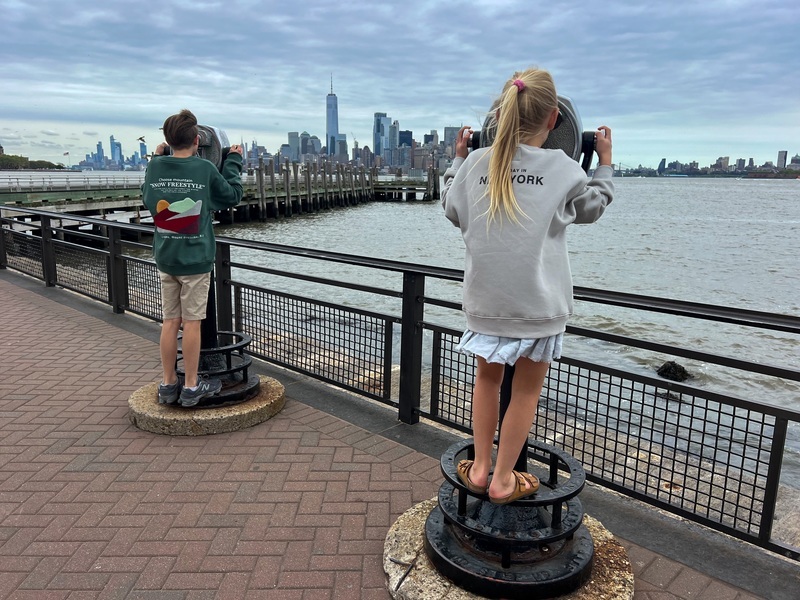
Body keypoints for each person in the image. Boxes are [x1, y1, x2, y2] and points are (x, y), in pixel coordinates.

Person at [441, 68, 614, 504]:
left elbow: (451, 206)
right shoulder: (564, 167)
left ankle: (479, 469)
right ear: (556, 120)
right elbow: (593, 206)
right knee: (526, 392)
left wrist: (459, 158)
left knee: (486, 380)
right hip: (540, 305)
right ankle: (504, 479)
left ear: (497, 117)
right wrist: (605, 163)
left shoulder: (478, 164)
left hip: (486, 300)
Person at [141, 109, 244, 407]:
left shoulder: (156, 167)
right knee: (193, 323)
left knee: (170, 321)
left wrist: (158, 157)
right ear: (198, 140)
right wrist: (234, 160)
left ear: (166, 140)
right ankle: (191, 386)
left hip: (166, 255)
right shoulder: (203, 169)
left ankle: (168, 383)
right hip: (196, 259)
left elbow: (148, 198)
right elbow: (231, 196)